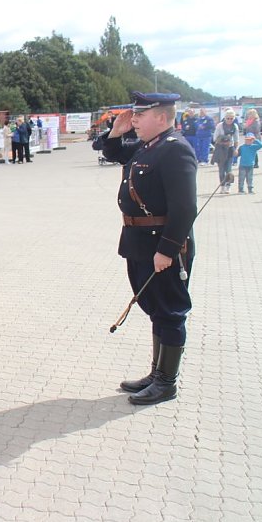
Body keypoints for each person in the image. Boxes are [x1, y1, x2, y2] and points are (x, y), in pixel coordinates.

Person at [102, 92, 197, 406]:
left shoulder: (174, 150)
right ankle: (156, 374)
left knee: (170, 312)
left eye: (140, 115)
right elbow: (113, 151)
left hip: (161, 245)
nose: (135, 121)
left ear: (161, 116)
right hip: (139, 243)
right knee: (156, 310)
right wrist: (116, 131)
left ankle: (166, 383)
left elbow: (184, 207)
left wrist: (168, 250)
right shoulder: (148, 147)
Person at [211, 109, 239, 194]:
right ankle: (222, 186)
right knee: (221, 170)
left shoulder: (235, 126)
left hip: (230, 149)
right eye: (228, 118)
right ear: (225, 118)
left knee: (229, 169)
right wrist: (223, 140)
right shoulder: (220, 126)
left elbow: (236, 139)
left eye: (231, 118)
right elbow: (215, 138)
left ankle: (228, 186)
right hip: (221, 150)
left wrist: (235, 149)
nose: (230, 120)